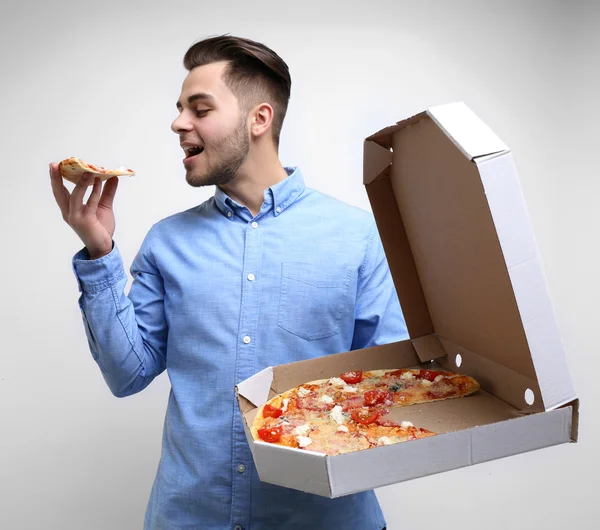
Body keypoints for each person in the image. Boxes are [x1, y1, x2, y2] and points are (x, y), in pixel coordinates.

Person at [49, 35, 406, 530]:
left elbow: (390, 386)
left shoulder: (357, 236)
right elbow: (126, 375)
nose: (178, 123)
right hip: (189, 518)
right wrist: (99, 252)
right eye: (179, 109)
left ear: (259, 120)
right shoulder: (166, 242)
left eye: (200, 109)